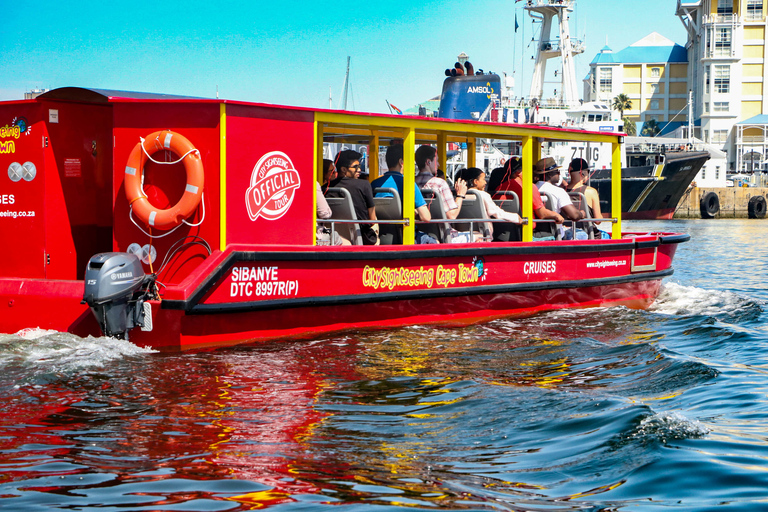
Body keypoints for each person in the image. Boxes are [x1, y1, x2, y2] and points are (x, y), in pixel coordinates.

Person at [372, 144, 436, 244]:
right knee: (434, 241)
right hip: (406, 236)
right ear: (401, 162)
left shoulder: (375, 184)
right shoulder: (408, 183)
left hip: (382, 235)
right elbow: (426, 217)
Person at [491, 158, 564, 233]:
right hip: (526, 233)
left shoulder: (499, 188)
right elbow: (542, 214)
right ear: (518, 172)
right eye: (527, 170)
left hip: (501, 233)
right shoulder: (529, 187)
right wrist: (555, 215)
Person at [325, 150, 378, 245]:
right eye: (355, 167)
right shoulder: (364, 185)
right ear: (343, 169)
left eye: (359, 166)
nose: (359, 170)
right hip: (363, 237)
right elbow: (372, 219)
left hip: (335, 236)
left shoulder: (326, 188)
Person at [455, 167, 521, 238]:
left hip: (463, 235)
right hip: (483, 236)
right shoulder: (483, 195)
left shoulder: (459, 196)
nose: (485, 182)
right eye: (483, 179)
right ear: (475, 182)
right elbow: (497, 213)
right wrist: (516, 218)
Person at [534, 157, 583, 238]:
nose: (559, 174)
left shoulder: (531, 189)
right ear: (550, 174)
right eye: (557, 171)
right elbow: (574, 216)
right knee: (583, 234)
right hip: (556, 235)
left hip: (534, 233)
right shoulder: (558, 191)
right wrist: (582, 213)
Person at [415, 145, 468, 220]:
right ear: (428, 162)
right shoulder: (439, 183)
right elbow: (451, 216)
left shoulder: (412, 183)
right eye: (436, 161)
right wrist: (460, 195)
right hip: (441, 229)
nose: (438, 164)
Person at [566, 158, 610, 240]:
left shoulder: (561, 191)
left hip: (565, 233)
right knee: (606, 236)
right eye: (588, 171)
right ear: (582, 173)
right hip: (587, 234)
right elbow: (598, 220)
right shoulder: (591, 192)